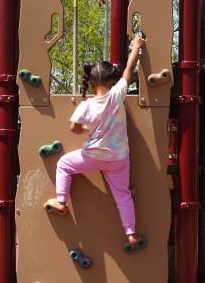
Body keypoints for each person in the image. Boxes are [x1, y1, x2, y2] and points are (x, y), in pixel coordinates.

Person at [44, 35, 146, 250]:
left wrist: (85, 129)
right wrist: (136, 45)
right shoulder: (117, 94)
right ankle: (131, 233)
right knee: (123, 195)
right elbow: (129, 68)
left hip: (92, 156)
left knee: (63, 164)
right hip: (118, 157)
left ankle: (61, 201)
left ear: (90, 84)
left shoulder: (86, 105)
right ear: (112, 80)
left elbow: (73, 128)